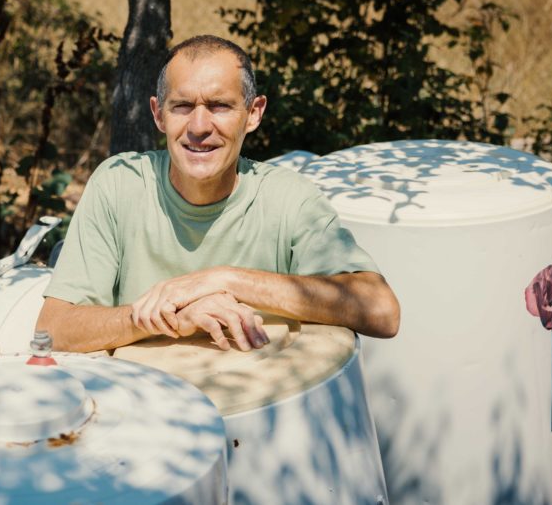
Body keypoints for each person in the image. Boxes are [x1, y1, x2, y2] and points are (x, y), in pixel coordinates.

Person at [36, 35, 400, 353]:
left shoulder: (288, 198)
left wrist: (222, 279)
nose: (198, 127)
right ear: (158, 114)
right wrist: (166, 318)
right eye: (182, 106)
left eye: (219, 106)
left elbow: (382, 311)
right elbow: (54, 329)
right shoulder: (119, 184)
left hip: (259, 412)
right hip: (140, 410)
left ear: (253, 113)